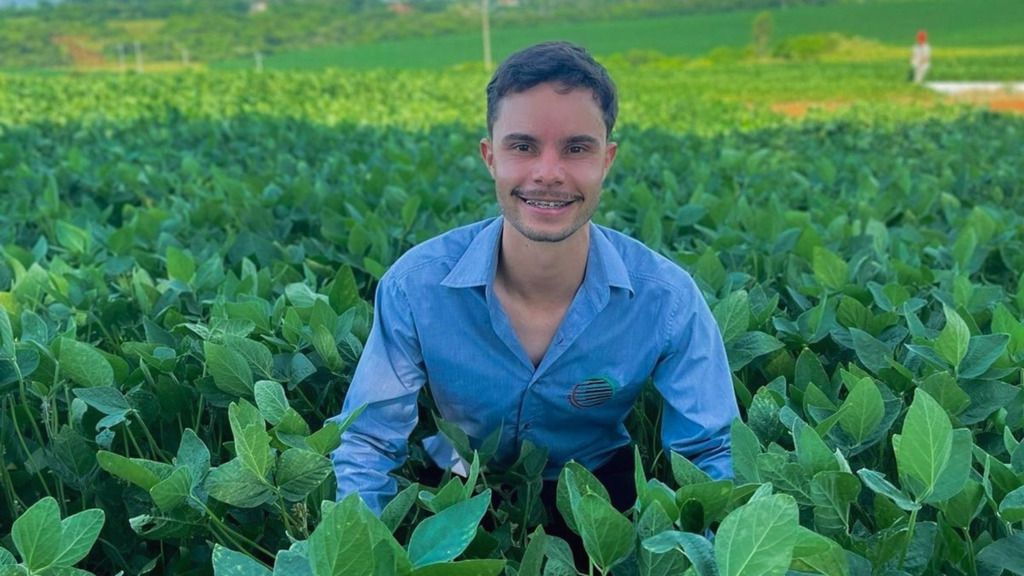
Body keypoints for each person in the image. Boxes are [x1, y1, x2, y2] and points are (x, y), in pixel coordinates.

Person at [328, 40, 738, 552]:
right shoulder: (417, 287)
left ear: (606, 159)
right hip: (458, 487)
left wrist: (719, 556)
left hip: (597, 491)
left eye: (576, 147)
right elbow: (368, 441)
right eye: (522, 146)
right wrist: (362, 556)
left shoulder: (666, 299)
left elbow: (709, 449)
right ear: (490, 157)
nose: (548, 172)